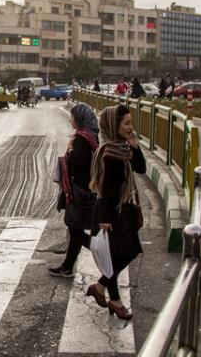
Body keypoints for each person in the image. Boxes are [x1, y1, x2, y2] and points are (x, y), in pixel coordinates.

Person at [86, 104, 145, 320]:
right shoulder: (110, 153)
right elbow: (108, 189)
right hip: (110, 213)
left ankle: (100, 288)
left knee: (128, 252)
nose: (131, 127)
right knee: (116, 256)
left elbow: (141, 169)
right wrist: (104, 219)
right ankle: (115, 301)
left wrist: (135, 146)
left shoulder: (124, 148)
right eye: (126, 123)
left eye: (131, 122)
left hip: (123, 210)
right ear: (114, 125)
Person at [49, 104, 99, 277]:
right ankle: (68, 266)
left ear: (80, 119)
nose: (70, 120)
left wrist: (70, 149)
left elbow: (76, 164)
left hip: (79, 191)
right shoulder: (92, 137)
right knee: (75, 230)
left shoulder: (81, 139)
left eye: (73, 117)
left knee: (75, 230)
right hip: (87, 189)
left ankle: (105, 253)